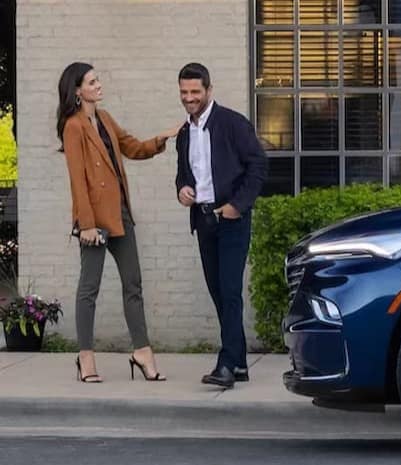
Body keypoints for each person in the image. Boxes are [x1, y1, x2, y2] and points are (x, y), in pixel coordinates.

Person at [57, 62, 181, 383]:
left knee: (133, 284)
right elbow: (77, 179)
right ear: (77, 91)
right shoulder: (73, 126)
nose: (99, 85)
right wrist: (85, 224)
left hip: (121, 214)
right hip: (94, 221)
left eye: (98, 80)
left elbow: (133, 148)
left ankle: (142, 351)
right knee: (89, 289)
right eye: (92, 81)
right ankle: (85, 358)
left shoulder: (105, 119)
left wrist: (160, 139)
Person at [173, 63, 267, 389]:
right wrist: (182, 189)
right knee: (218, 293)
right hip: (203, 219)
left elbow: (258, 165)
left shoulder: (232, 123)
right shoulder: (184, 133)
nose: (189, 98)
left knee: (229, 291)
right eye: (184, 93)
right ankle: (239, 362)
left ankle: (226, 365)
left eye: (195, 92)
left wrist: (237, 206)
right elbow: (185, 174)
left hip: (232, 220)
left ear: (208, 90)